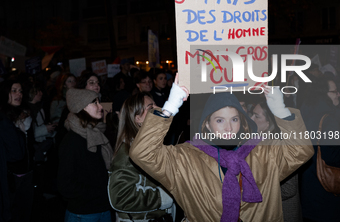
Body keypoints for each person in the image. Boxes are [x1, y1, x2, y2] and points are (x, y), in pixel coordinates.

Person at [129, 74, 314, 222]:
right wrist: (169, 109)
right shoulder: (185, 158)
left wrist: (282, 112)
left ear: (242, 122)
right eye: (219, 120)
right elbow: (142, 153)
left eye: (234, 119)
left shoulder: (263, 152)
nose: (228, 127)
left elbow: (301, 151)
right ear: (207, 125)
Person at [108, 92, 175, 222]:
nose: (158, 107)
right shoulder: (128, 151)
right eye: (150, 107)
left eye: (156, 104)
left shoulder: (150, 145)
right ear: (137, 118)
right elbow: (120, 197)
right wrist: (163, 197)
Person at [58, 88, 113, 222]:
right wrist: (99, 191)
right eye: (95, 103)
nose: (100, 106)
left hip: (104, 208)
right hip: (83, 213)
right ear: (81, 107)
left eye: (99, 102)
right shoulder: (72, 140)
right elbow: (65, 185)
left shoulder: (98, 132)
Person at [251, 100, 303, 222]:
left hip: (284, 214)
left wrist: (256, 192)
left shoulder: (279, 146)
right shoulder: (256, 142)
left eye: (256, 116)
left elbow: (289, 189)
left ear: (268, 122)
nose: (251, 118)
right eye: (252, 113)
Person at [299, 77, 340, 222]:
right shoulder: (330, 118)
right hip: (325, 191)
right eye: (334, 91)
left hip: (308, 186)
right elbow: (331, 155)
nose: (338, 95)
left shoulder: (306, 112)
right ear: (324, 93)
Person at [0, 80, 33, 222]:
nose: (18, 94)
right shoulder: (5, 119)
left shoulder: (23, 114)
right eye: (14, 90)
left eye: (20, 91)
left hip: (25, 171)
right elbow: (15, 153)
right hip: (9, 177)